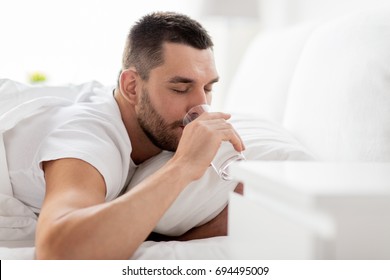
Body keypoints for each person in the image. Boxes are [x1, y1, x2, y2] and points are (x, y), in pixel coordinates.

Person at [2, 11, 244, 259]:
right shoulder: (89, 138)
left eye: (208, 88)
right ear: (132, 87)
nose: (200, 105)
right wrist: (185, 165)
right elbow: (57, 252)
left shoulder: (146, 125)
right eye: (180, 88)